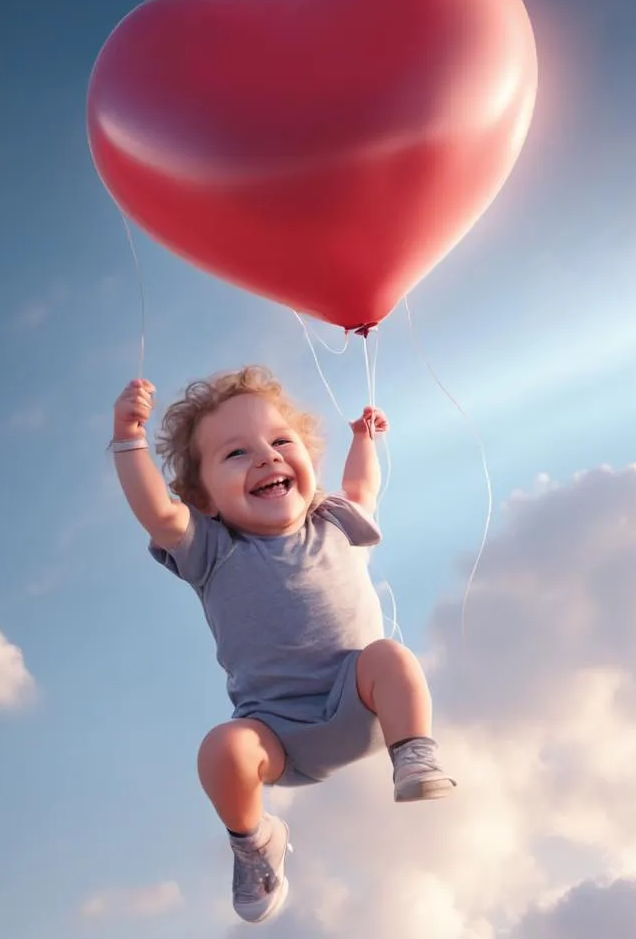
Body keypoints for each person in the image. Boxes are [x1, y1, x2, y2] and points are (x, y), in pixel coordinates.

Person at [111, 365, 455, 924]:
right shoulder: (212, 550)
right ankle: (253, 842)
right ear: (204, 499)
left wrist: (365, 438)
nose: (267, 458)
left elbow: (364, 486)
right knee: (222, 748)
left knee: (389, 656)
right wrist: (129, 439)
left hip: (363, 704)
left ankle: (414, 750)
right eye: (236, 455)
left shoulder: (335, 524)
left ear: (307, 465)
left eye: (279, 442)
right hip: (277, 736)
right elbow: (158, 511)